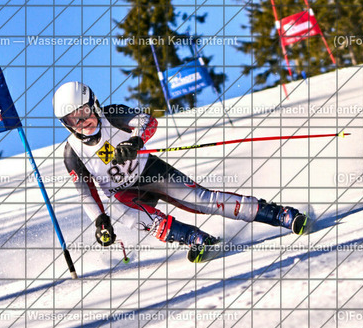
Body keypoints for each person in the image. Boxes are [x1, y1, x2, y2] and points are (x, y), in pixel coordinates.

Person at [53, 81, 308, 261]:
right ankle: (194, 238)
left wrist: (136, 142)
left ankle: (279, 214)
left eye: (84, 112)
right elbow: (87, 194)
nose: (83, 122)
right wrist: (100, 222)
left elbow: (148, 121)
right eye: (73, 119)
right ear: (67, 125)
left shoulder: (113, 114)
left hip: (150, 171)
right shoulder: (72, 153)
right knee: (125, 214)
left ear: (94, 105)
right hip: (124, 194)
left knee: (201, 200)